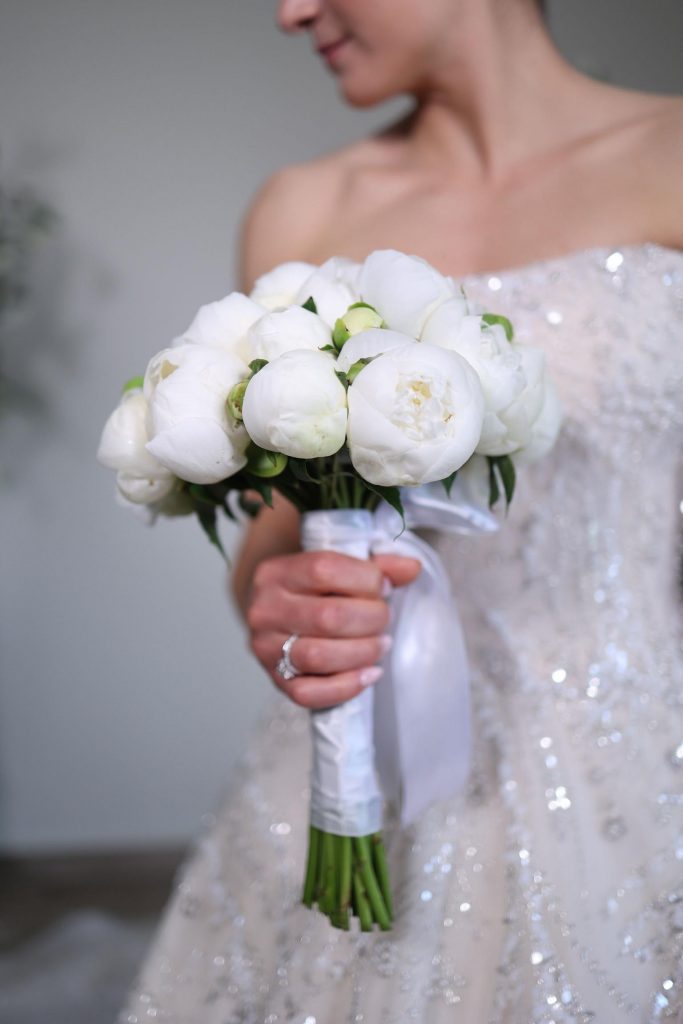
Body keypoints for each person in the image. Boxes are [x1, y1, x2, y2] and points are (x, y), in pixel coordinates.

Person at [122, 1, 683, 1020]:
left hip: (643, 762)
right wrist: (281, 602)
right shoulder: (303, 209)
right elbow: (274, 535)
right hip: (357, 766)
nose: (290, 12)